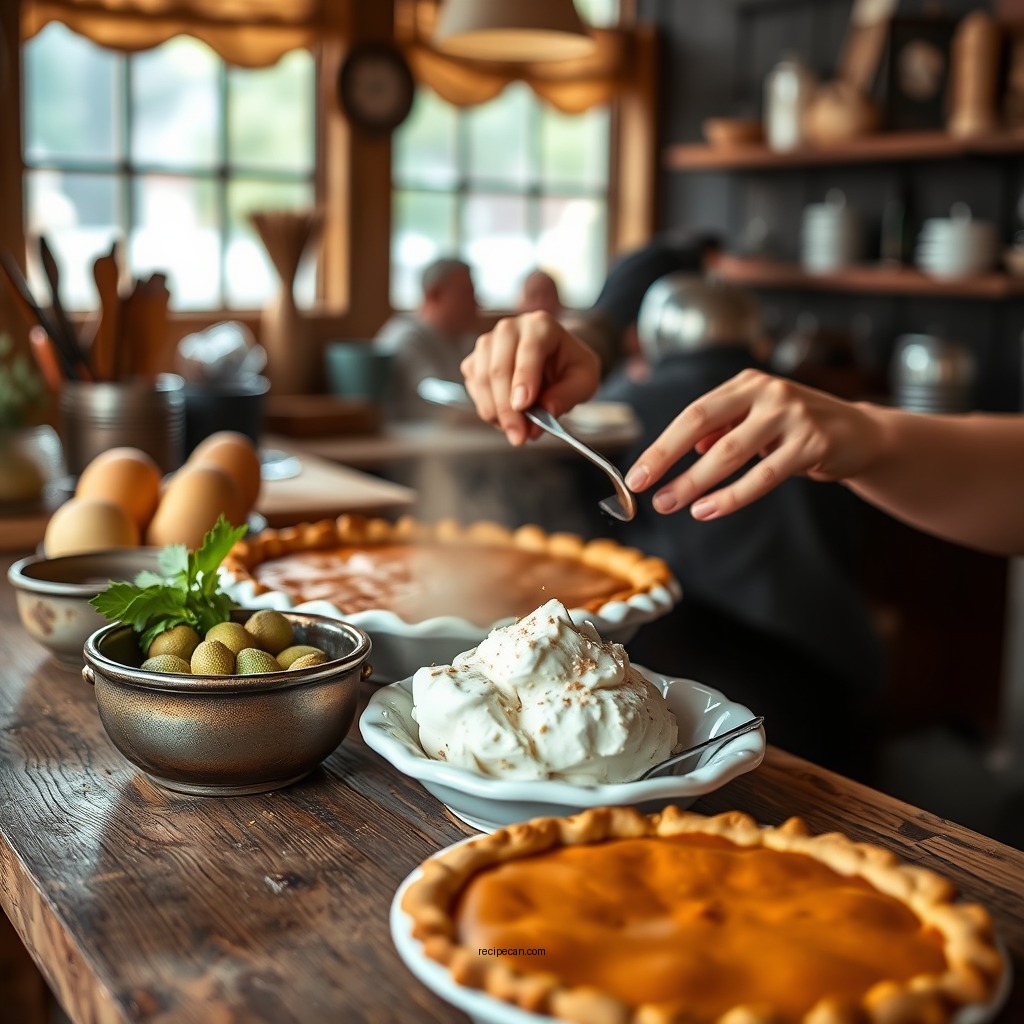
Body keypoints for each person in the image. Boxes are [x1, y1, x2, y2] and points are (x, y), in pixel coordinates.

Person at [462, 311, 893, 781]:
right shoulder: (812, 403)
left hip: (729, 684)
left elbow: (570, 510)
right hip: (846, 671)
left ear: (645, 349)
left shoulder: (632, 404)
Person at [373, 257, 479, 421]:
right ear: (434, 294)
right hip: (412, 433)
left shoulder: (466, 340)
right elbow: (430, 391)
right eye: (466, 294)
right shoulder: (406, 337)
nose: (476, 303)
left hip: (458, 431)